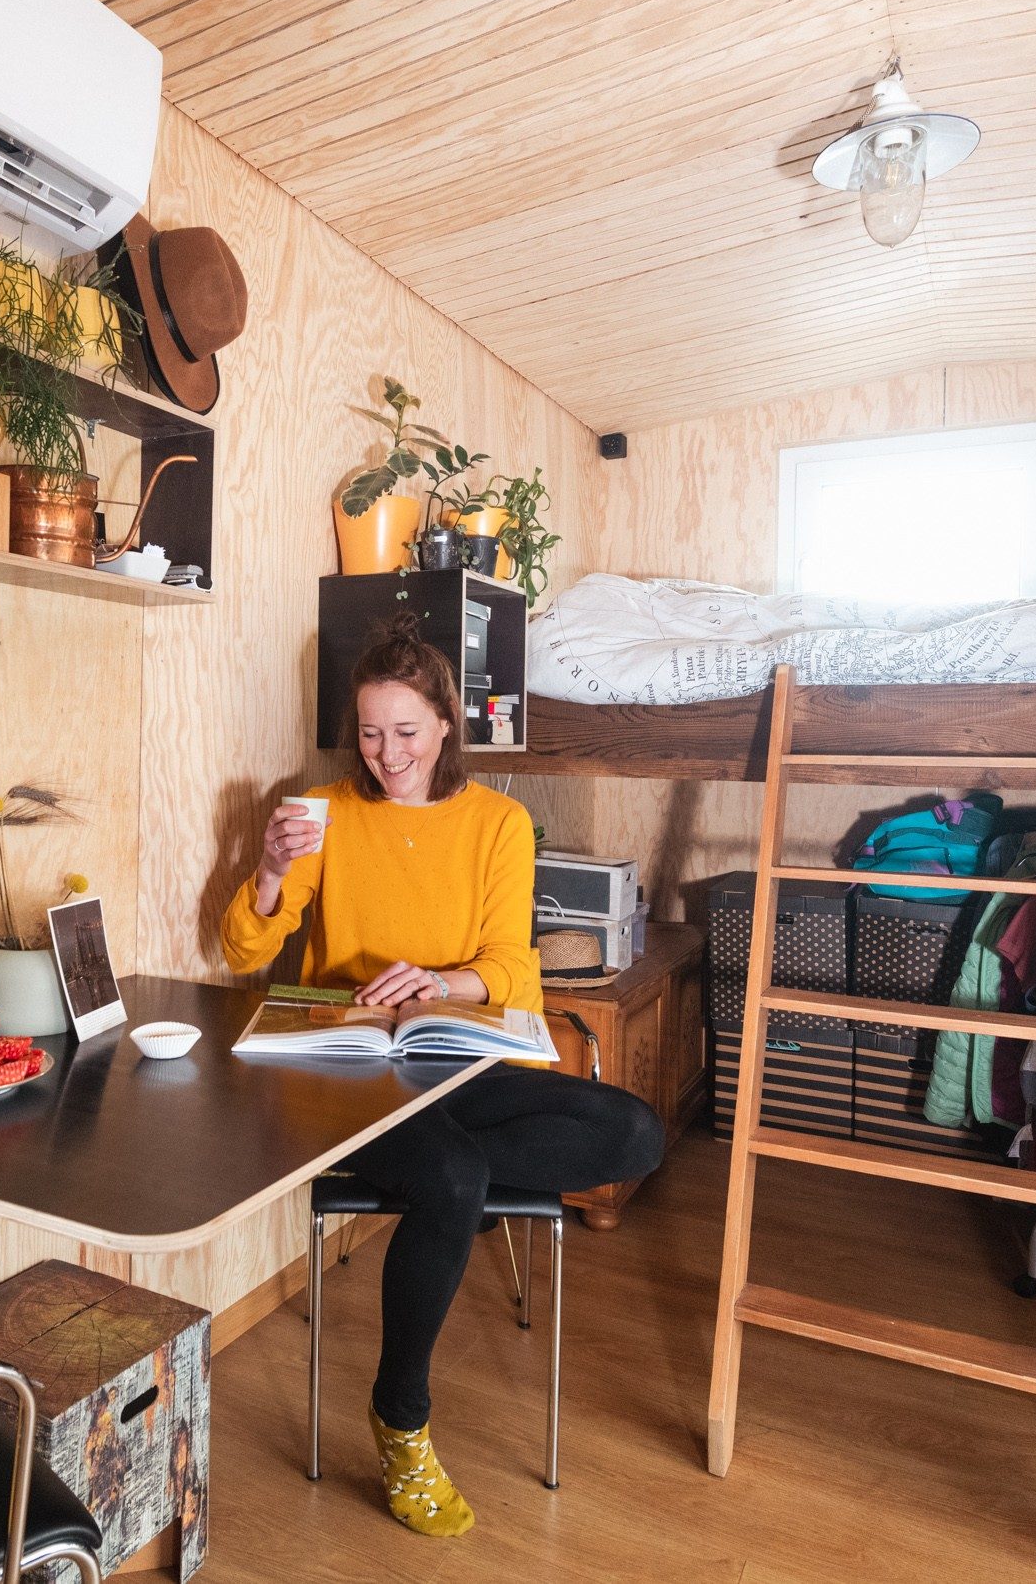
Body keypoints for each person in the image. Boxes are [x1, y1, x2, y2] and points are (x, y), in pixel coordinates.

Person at [220, 615, 664, 1538]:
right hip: (352, 1068)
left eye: (408, 732)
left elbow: (513, 967)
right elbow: (244, 945)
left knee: (633, 1133)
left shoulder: (497, 821)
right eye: (372, 733)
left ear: (447, 726)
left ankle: (453, 1191)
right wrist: (268, 870)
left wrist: (441, 981)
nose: (388, 754)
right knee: (457, 1177)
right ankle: (401, 1420)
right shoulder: (327, 813)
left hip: (458, 1055)